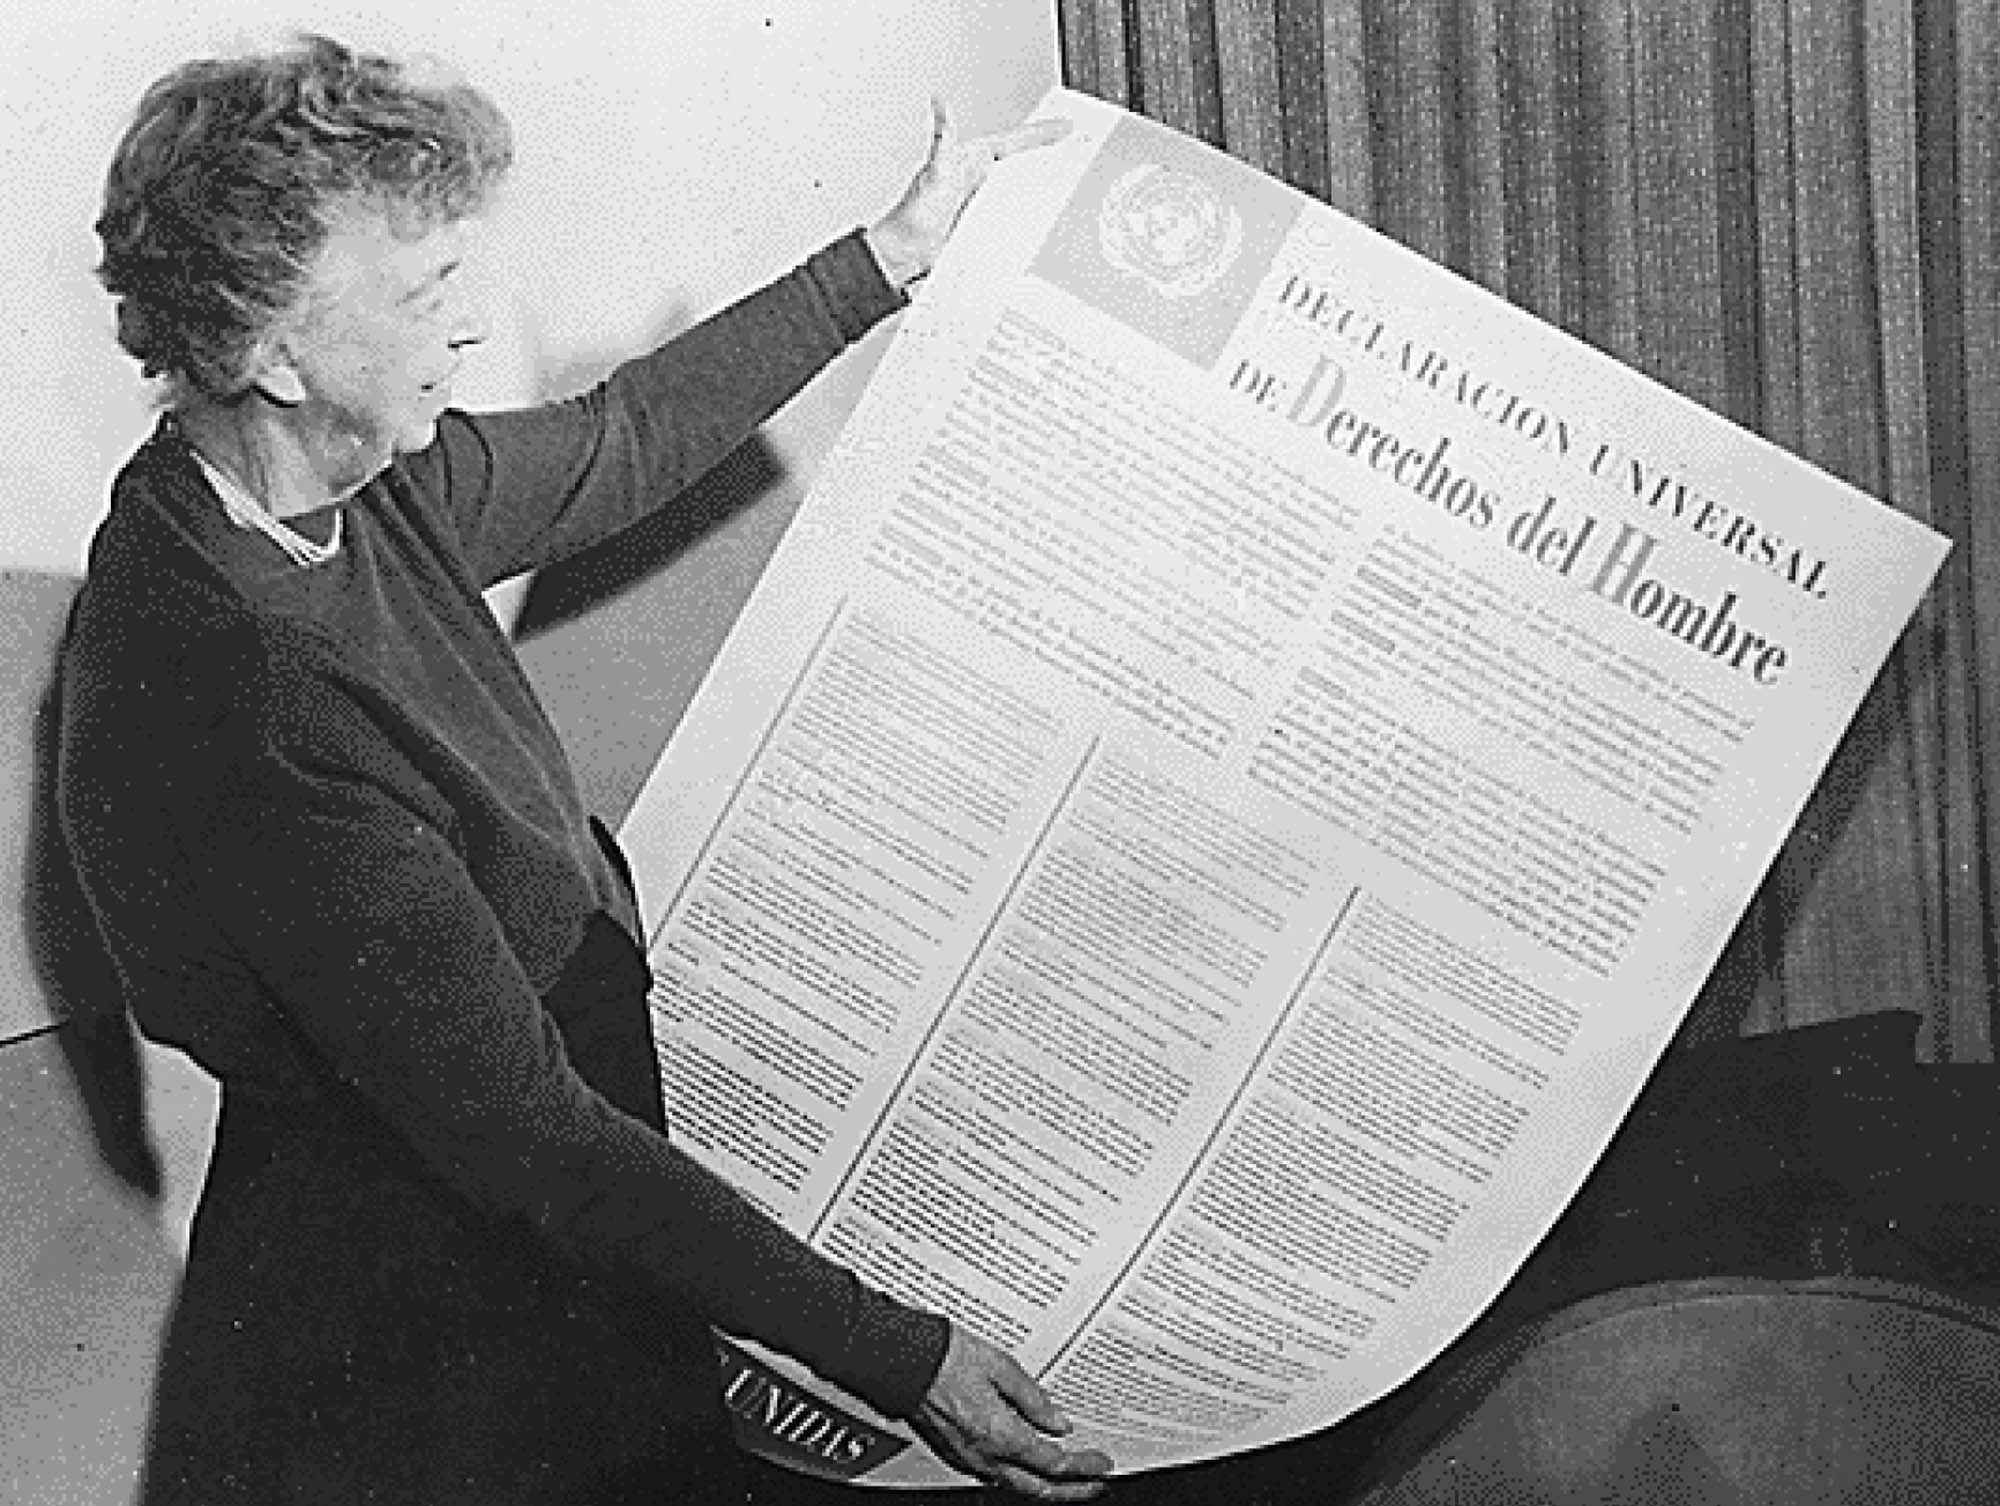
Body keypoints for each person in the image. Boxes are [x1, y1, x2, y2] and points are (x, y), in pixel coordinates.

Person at [56, 33, 1112, 1506]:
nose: (470, 327)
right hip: (438, 1269)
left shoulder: (347, 482)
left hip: (532, 1164)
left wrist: (889, 253)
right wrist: (900, 1354)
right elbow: (534, 1138)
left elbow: (619, 440)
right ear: (270, 351)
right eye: (424, 294)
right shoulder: (246, 685)